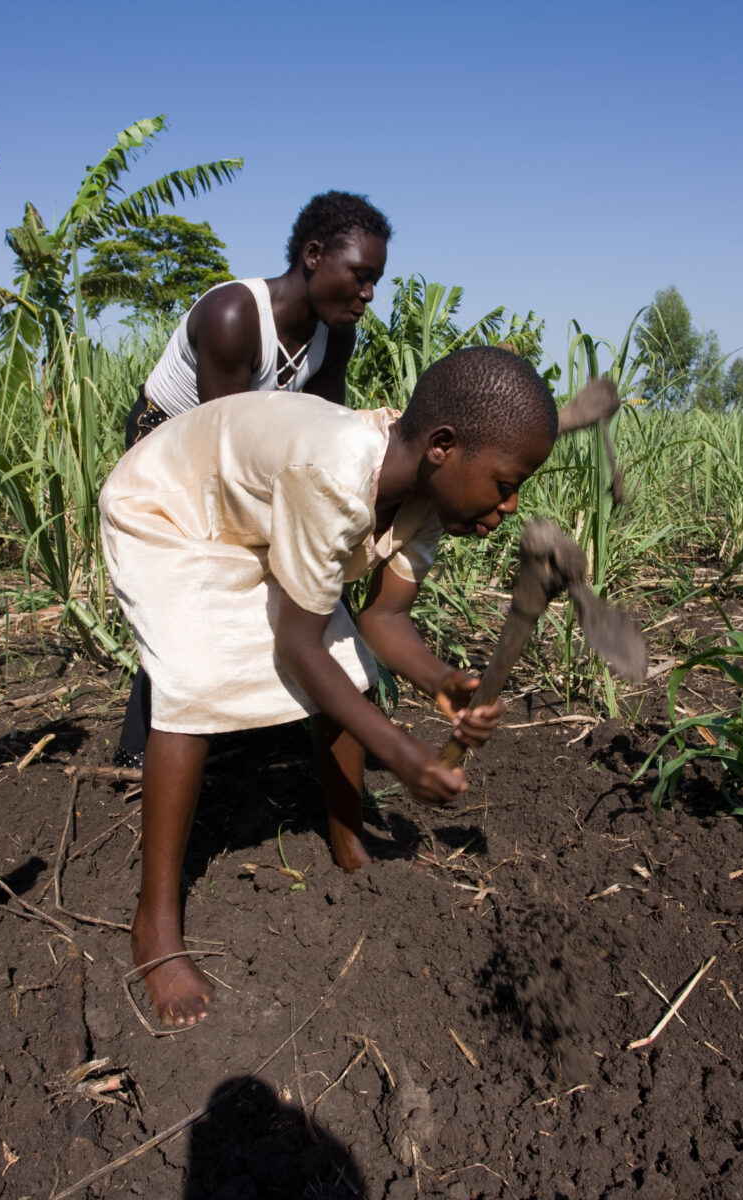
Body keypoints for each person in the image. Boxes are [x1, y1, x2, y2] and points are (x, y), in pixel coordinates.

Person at [99, 345, 559, 1027]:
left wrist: (441, 679)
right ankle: (155, 927)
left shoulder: (424, 499)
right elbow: (297, 645)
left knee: (350, 673)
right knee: (192, 683)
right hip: (170, 507)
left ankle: (349, 842)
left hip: (252, 515)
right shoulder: (335, 472)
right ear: (443, 446)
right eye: (505, 481)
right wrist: (404, 755)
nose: (511, 503)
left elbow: (383, 617)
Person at [114, 190, 392, 767]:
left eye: (376, 281)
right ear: (313, 255)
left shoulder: (335, 335)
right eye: (360, 276)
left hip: (248, 452)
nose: (368, 295)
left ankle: (288, 702)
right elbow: (223, 448)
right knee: (192, 577)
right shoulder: (234, 316)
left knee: (299, 558)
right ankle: (146, 735)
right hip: (169, 446)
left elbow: (323, 430)